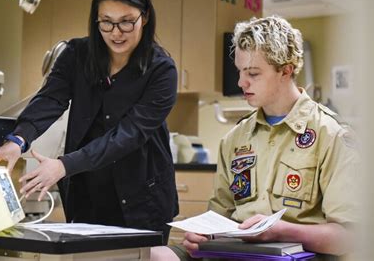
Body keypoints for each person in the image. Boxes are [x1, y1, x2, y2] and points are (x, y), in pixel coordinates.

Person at [0, 0, 179, 244]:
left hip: (142, 200)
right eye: (106, 22)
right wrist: (19, 139)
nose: (116, 32)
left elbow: (128, 135)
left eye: (126, 21)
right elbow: (50, 100)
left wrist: (63, 165)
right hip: (87, 194)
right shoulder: (77, 54)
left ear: (144, 17)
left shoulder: (161, 70)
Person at [152, 15, 359, 260]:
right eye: (240, 71)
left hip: (296, 256)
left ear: (286, 70)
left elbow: (348, 238)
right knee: (149, 255)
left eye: (253, 73)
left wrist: (283, 232)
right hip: (235, 254)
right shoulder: (235, 138)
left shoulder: (331, 133)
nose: (241, 82)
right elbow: (219, 217)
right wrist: (202, 237)